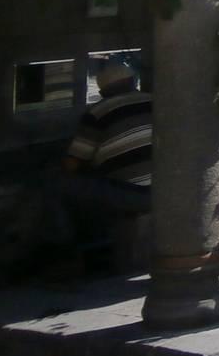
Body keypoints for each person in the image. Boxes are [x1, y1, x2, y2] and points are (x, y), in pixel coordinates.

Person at [58, 61, 153, 256]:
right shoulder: (154, 101)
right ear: (132, 81)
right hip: (168, 191)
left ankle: (62, 253)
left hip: (134, 195)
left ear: (103, 91)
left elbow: (73, 164)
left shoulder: (97, 113)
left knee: (58, 185)